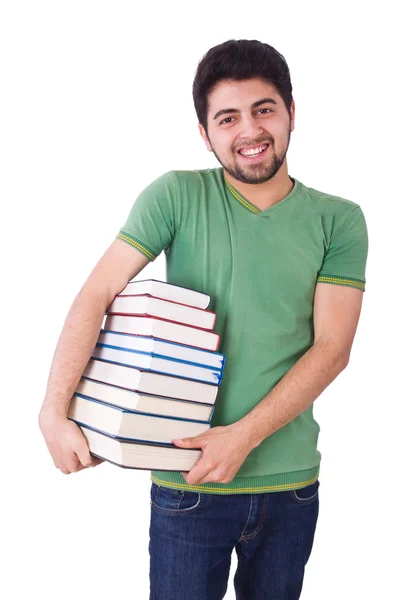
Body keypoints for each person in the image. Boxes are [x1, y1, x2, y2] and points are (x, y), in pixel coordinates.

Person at [39, 39, 369, 600]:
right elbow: (96, 295)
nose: (250, 130)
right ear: (205, 131)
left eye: (264, 109)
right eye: (228, 117)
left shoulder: (339, 220)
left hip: (290, 486)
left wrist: (241, 438)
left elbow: (333, 347)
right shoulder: (175, 195)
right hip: (186, 483)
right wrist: (53, 411)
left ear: (291, 113)